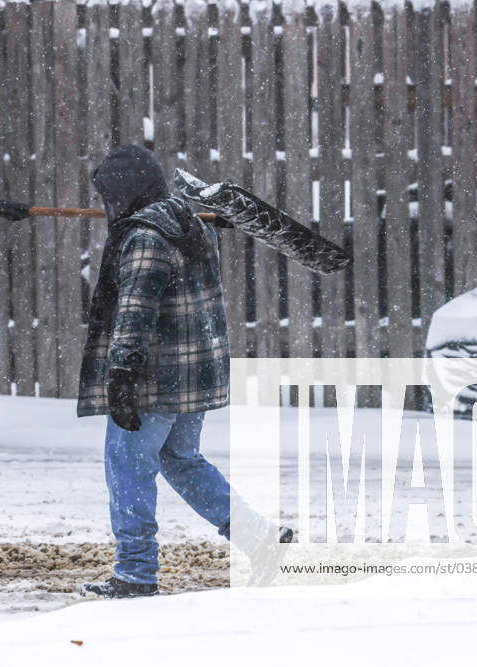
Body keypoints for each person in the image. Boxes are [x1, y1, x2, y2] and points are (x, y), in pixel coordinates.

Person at [78, 145, 290, 599]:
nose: (106, 206)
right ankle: (260, 540)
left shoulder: (145, 237)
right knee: (180, 459)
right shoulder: (188, 223)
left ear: (125, 193)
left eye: (109, 196)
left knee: (127, 465)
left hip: (154, 376)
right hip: (193, 374)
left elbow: (135, 310)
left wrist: (121, 374)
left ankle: (135, 572)